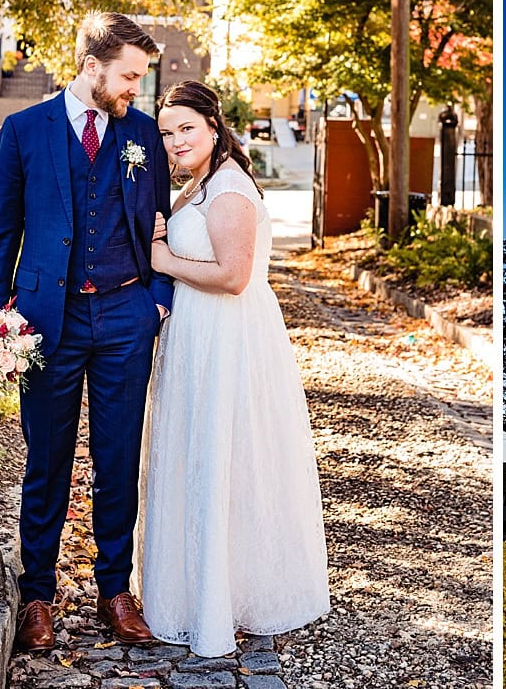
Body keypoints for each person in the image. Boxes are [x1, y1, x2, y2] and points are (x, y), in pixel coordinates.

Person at [0, 12, 171, 652]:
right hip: (45, 321)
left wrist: (158, 302)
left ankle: (116, 590)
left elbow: (161, 222)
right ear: (93, 66)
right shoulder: (25, 131)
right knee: (47, 461)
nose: (135, 91)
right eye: (128, 76)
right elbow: (2, 229)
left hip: (124, 314)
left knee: (118, 459)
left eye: (140, 79)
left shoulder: (143, 134)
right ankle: (37, 595)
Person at [135, 80, 330, 656]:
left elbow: (234, 275)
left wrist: (163, 257)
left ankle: (226, 598)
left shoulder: (229, 187)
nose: (175, 141)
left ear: (214, 127)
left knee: (222, 458)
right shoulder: (200, 182)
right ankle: (200, 590)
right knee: (198, 459)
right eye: (167, 133)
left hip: (226, 336)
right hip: (196, 334)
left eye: (186, 129)